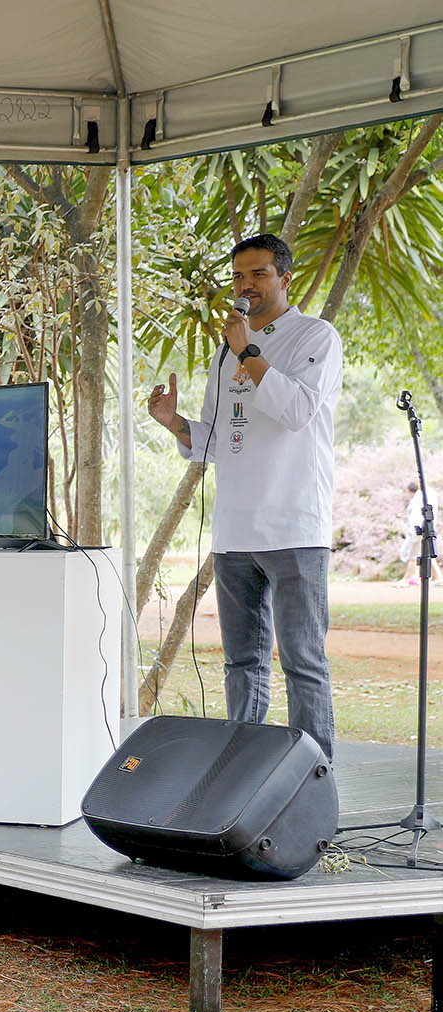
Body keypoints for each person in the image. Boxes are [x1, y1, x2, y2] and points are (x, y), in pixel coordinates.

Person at [147, 232, 342, 759]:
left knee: (302, 660)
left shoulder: (315, 337)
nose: (246, 286)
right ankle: (240, 774)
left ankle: (312, 778)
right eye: (238, 276)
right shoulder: (222, 357)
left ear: (285, 278)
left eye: (258, 274)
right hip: (235, 534)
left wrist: (247, 351)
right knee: (242, 663)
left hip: (293, 527)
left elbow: (297, 411)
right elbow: (216, 438)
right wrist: (175, 423)